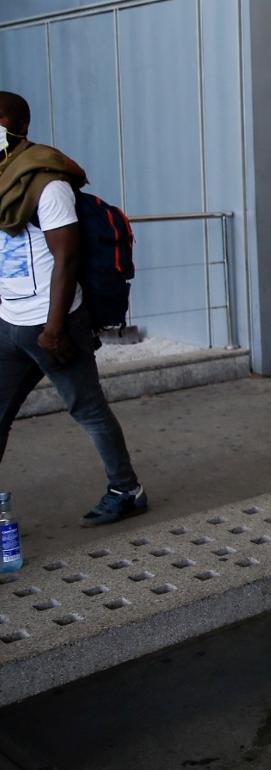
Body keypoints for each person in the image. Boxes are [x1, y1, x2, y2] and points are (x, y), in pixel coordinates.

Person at [0, 91, 146, 526]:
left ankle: (126, 490)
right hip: (9, 321)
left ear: (18, 126)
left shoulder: (48, 183)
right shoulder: (3, 180)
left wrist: (55, 328)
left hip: (53, 323)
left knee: (88, 409)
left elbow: (66, 258)